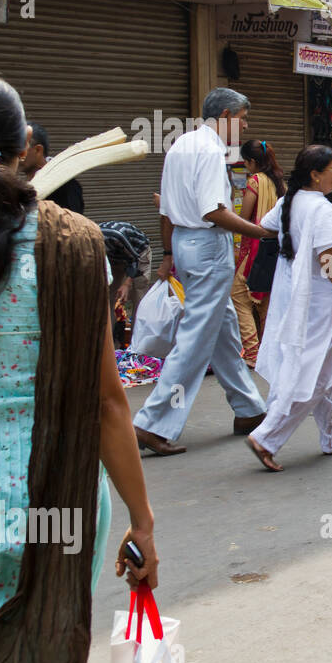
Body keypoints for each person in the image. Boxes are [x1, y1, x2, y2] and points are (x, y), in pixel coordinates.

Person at [0, 71, 157, 663]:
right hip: (60, 499)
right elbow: (109, 401)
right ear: (24, 146)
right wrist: (142, 520)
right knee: (50, 654)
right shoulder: (79, 247)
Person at [132, 88, 270, 457]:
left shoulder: (181, 145)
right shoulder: (210, 150)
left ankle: (249, 409)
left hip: (185, 242)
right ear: (225, 115)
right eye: (242, 118)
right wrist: (262, 232)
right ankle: (152, 422)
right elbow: (213, 212)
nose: (245, 126)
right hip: (208, 245)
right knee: (195, 335)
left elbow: (164, 207)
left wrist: (167, 253)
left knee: (222, 325)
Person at [246, 146, 332, 471]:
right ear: (316, 175)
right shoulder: (323, 213)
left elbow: (267, 224)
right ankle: (267, 435)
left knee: (329, 373)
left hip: (299, 299)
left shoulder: (291, 203)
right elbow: (330, 265)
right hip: (321, 306)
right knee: (316, 375)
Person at [231, 139, 285, 368]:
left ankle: (253, 352)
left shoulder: (254, 181)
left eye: (246, 162)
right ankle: (268, 351)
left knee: (238, 296)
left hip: (254, 247)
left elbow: (244, 217)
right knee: (266, 302)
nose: (245, 166)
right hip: (275, 248)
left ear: (252, 162)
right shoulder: (279, 182)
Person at [99, 220, 152, 348]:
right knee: (109, 297)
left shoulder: (116, 236)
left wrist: (127, 284)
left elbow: (133, 260)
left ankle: (138, 345)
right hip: (114, 258)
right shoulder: (88, 243)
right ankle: (109, 345)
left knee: (139, 296)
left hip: (138, 253)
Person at [19, 121, 84, 213]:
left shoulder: (64, 186)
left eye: (21, 149)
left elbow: (72, 225)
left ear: (38, 150)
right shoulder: (23, 185)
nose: (16, 155)